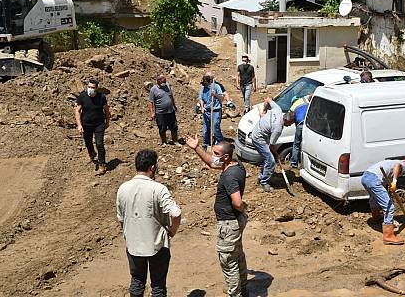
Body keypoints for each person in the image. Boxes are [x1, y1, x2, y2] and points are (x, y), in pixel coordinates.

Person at [184, 136, 248, 297]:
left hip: (228, 224)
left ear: (226, 157)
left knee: (228, 261)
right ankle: (243, 288)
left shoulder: (229, 176)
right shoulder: (236, 165)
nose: (214, 155)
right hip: (235, 221)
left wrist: (243, 208)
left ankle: (235, 294)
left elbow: (237, 202)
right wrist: (197, 148)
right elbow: (212, 163)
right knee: (237, 255)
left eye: (216, 153)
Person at [116, 149, 182, 297]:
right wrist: (172, 230)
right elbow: (176, 213)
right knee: (158, 285)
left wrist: (127, 234)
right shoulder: (158, 189)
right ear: (152, 168)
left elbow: (121, 218)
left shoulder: (123, 188)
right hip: (157, 245)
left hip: (133, 245)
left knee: (137, 281)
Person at [361, 159, 405, 245]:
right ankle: (388, 236)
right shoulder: (404, 165)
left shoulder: (389, 165)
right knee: (389, 206)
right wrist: (394, 182)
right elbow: (398, 166)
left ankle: (376, 218)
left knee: (374, 199)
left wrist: (390, 188)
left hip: (365, 177)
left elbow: (385, 186)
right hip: (374, 179)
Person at [251, 97, 295, 192]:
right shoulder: (278, 128)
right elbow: (272, 146)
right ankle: (264, 182)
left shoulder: (278, 109)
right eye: (291, 123)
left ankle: (262, 176)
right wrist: (276, 156)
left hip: (259, 132)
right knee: (270, 160)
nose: (290, 125)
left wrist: (264, 110)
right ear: (287, 120)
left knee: (267, 158)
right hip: (259, 138)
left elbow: (267, 99)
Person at [75, 78, 111, 175]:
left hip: (99, 124)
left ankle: (102, 164)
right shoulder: (82, 96)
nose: (90, 89)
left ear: (96, 88)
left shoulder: (101, 97)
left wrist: (107, 122)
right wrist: (79, 125)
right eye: (89, 87)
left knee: (99, 144)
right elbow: (77, 111)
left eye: (92, 87)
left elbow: (107, 111)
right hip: (86, 124)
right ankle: (91, 153)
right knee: (88, 141)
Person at [148, 74, 180, 147]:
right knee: (162, 127)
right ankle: (164, 142)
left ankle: (175, 140)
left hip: (170, 111)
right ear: (158, 81)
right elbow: (150, 102)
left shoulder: (167, 85)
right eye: (163, 81)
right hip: (160, 113)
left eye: (165, 81)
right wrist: (152, 113)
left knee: (174, 126)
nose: (165, 83)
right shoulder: (153, 89)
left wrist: (174, 106)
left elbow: (171, 96)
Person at [198, 73, 224, 149]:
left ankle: (220, 143)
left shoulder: (216, 86)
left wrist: (215, 94)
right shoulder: (203, 88)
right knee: (206, 130)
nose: (204, 85)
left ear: (209, 82)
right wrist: (202, 107)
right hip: (207, 111)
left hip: (215, 110)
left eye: (205, 83)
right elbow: (201, 99)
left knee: (215, 128)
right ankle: (206, 144)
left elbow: (222, 98)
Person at [289, 94, 312, 168]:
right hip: (308, 124)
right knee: (306, 145)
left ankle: (294, 163)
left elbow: (291, 119)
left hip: (300, 125)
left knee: (296, 145)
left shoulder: (292, 108)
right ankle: (304, 164)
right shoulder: (304, 99)